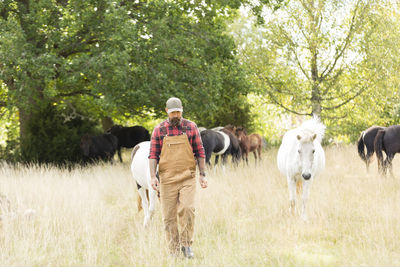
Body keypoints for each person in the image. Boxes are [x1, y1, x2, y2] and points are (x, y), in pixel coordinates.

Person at [149, 97, 208, 259]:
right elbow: (153, 155)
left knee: (187, 209)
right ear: (166, 111)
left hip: (187, 176)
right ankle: (173, 249)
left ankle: (187, 245)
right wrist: (153, 177)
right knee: (168, 215)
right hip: (166, 179)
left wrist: (202, 174)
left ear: (182, 110)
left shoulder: (191, 127)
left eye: (178, 112)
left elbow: (200, 151)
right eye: (173, 112)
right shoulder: (159, 130)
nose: (176, 115)